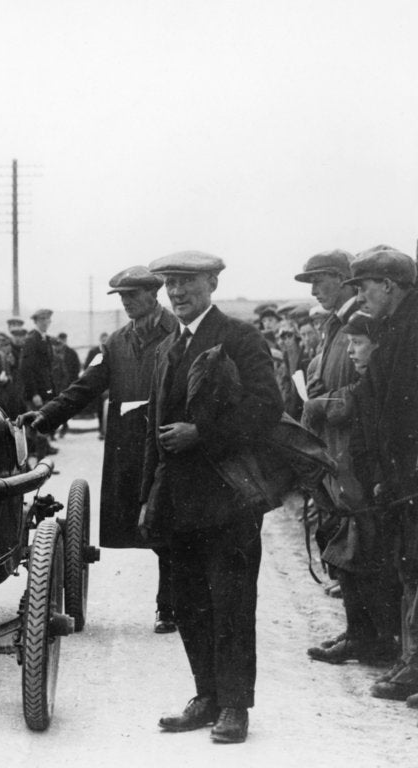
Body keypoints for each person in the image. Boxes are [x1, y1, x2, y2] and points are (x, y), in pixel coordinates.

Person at [141, 251, 282, 744]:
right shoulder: (166, 348)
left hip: (228, 500)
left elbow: (267, 407)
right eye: (171, 284)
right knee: (190, 604)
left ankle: (235, 707)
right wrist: (147, 498)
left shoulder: (241, 337)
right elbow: (153, 433)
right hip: (179, 502)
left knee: (232, 603)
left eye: (188, 282)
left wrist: (202, 433)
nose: (177, 292)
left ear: (213, 283)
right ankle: (206, 696)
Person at [19, 266, 180, 633]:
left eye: (132, 296)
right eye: (121, 297)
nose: (126, 303)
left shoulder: (177, 334)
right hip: (129, 449)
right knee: (142, 524)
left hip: (167, 445)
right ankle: (171, 604)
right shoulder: (117, 343)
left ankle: (168, 607)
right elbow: (85, 387)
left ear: (152, 295)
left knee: (170, 527)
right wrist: (45, 416)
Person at [340, 246, 418, 703]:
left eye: (364, 286)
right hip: (401, 478)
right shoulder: (394, 329)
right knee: (410, 566)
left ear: (388, 285)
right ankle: (411, 662)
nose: (361, 296)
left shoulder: (410, 330)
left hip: (412, 475)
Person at [305, 311, 399, 665]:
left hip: (377, 484)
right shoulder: (368, 378)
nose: (351, 352)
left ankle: (378, 641)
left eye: (357, 344)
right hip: (360, 479)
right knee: (350, 556)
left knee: (368, 559)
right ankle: (362, 635)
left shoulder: (384, 379)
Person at [20, 308, 55, 460]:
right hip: (36, 393)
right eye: (42, 320)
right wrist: (34, 393)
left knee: (41, 428)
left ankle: (41, 464)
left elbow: (47, 368)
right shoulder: (31, 339)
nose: (46, 322)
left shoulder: (44, 339)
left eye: (47, 319)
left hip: (44, 391)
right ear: (36, 321)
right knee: (35, 429)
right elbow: (26, 369)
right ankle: (29, 466)